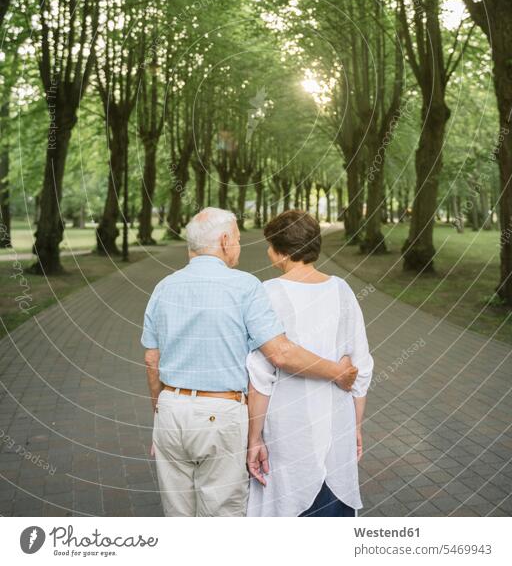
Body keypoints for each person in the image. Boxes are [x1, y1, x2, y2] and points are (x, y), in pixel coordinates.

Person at [141, 207, 358, 517]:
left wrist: (161, 415)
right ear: (226, 240)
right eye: (240, 239)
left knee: (177, 517)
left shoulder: (163, 287)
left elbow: (152, 359)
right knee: (224, 519)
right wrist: (338, 371)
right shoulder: (244, 286)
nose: (240, 246)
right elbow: (280, 353)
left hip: (170, 413)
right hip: (219, 415)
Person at [246, 209, 373, 517]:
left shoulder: (267, 293)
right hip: (337, 423)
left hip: (288, 430)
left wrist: (254, 438)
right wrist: (355, 426)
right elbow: (362, 367)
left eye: (269, 244)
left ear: (281, 251)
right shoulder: (342, 289)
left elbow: (261, 376)